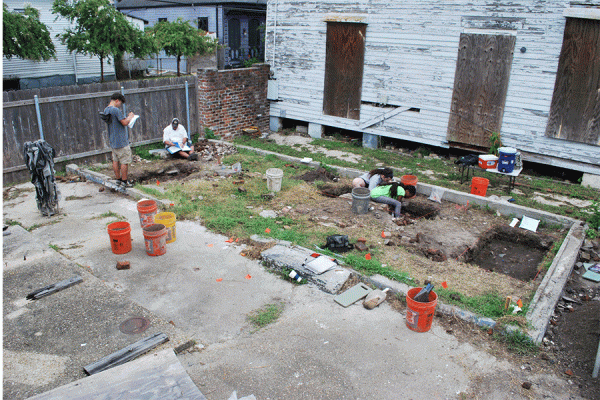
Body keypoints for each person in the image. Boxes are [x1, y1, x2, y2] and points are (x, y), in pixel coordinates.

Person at [104, 92, 136, 188]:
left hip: (113, 140)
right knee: (124, 162)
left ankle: (118, 180)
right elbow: (125, 122)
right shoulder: (115, 110)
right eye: (120, 103)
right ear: (117, 100)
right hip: (121, 141)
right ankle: (124, 182)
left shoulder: (106, 110)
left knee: (115, 160)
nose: (120, 105)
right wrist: (131, 116)